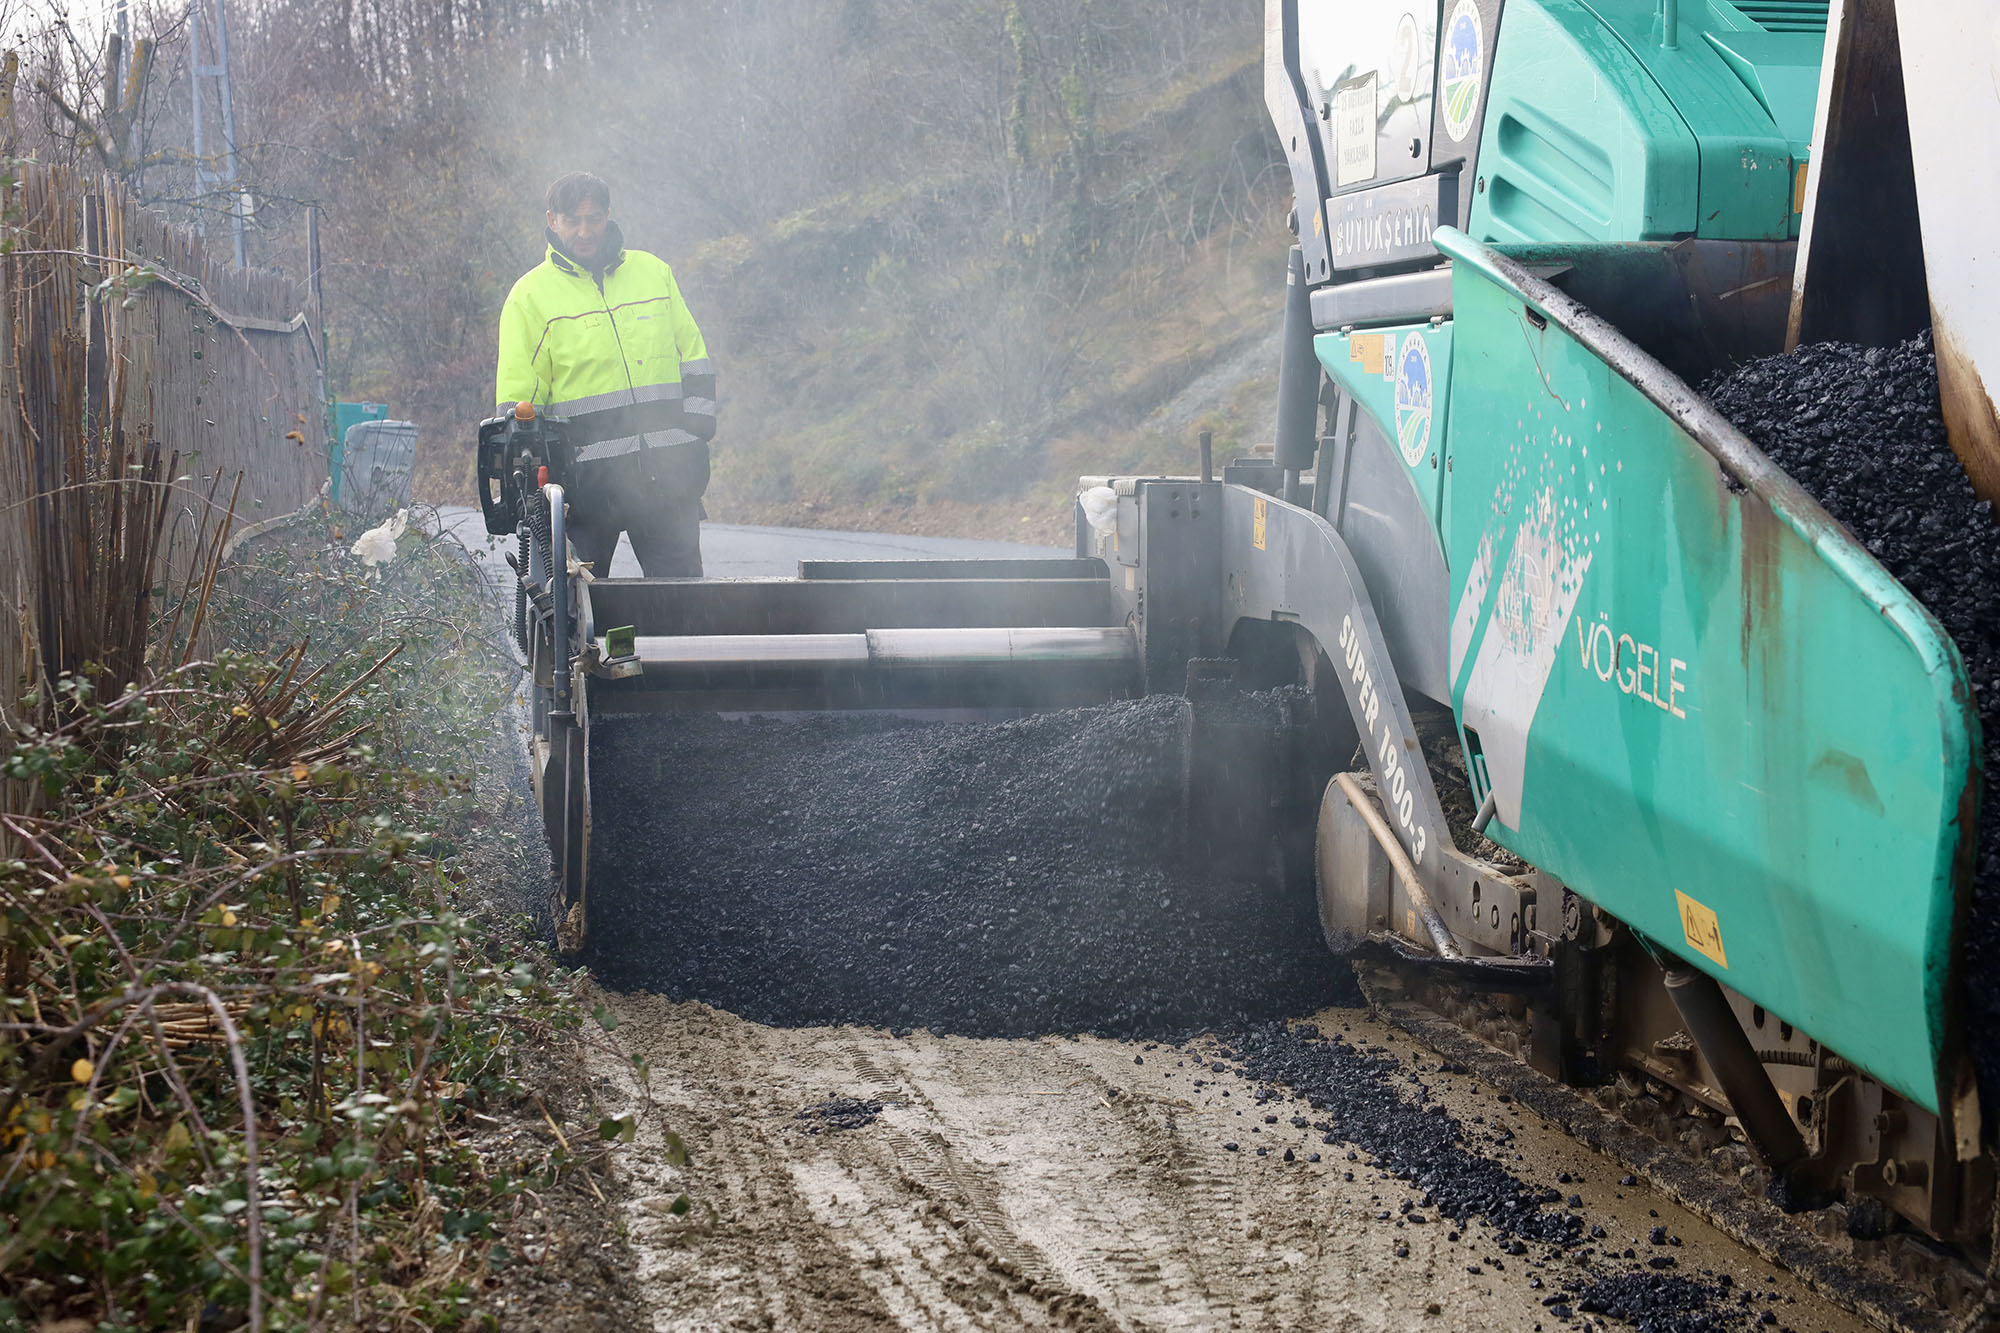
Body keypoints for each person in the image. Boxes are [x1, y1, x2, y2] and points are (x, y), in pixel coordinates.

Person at [495, 171, 715, 576]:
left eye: (594, 219)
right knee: (574, 616)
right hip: (583, 491)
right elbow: (519, 402)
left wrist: (696, 429)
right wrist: (531, 478)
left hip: (667, 478)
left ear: (608, 215)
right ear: (552, 220)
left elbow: (693, 354)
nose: (585, 231)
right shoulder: (529, 298)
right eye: (573, 220)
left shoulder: (654, 273)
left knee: (685, 608)